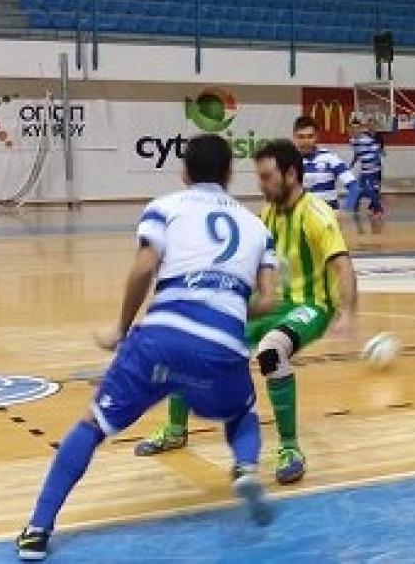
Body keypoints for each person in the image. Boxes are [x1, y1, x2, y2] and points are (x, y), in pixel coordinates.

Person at [16, 135, 278, 561]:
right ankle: (245, 467)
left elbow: (143, 268)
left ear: (185, 172)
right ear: (230, 174)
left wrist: (121, 327)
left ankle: (37, 528)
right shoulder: (257, 227)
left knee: (93, 424)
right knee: (240, 410)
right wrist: (225, 302)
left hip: (161, 337)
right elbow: (269, 299)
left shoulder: (167, 206)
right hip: (221, 346)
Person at [133, 140, 358, 487]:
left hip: (311, 306)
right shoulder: (268, 214)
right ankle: (176, 430)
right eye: (259, 177)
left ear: (291, 174)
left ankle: (289, 448)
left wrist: (347, 314)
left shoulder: (316, 215)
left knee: (271, 350)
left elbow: (343, 266)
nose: (260, 184)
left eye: (267, 177)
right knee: (192, 339)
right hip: (273, 305)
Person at [292, 115, 356, 210]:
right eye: (301, 137)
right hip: (302, 217)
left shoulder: (330, 158)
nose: (306, 141)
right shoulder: (289, 161)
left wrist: (346, 210)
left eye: (310, 136)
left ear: (316, 136)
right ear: (294, 137)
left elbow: (354, 187)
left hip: (328, 219)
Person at [349, 116, 385, 217]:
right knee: (362, 188)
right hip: (364, 169)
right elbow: (357, 153)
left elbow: (378, 152)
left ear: (360, 129)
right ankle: (371, 206)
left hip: (373, 169)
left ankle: (378, 210)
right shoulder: (352, 141)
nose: (355, 130)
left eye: (357, 128)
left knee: (370, 189)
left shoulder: (368, 140)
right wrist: (352, 164)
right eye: (353, 128)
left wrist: (377, 167)